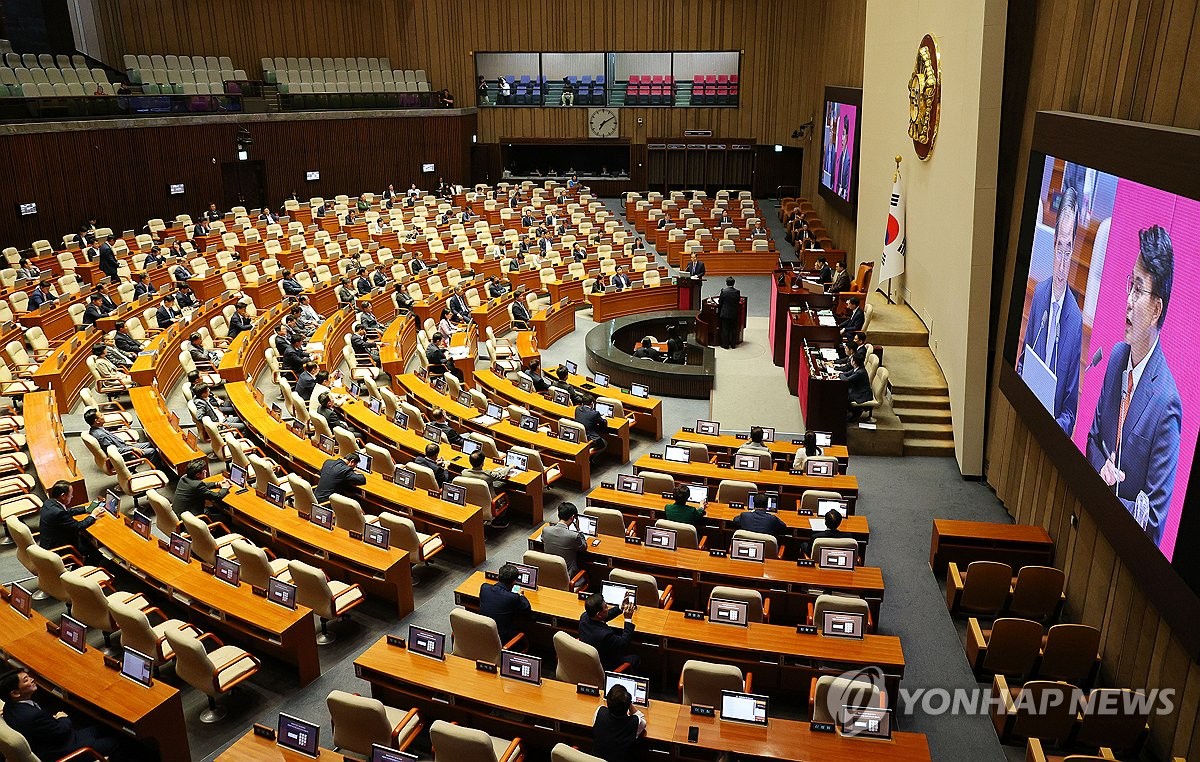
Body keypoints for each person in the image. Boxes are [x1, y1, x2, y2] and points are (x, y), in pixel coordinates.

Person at [1085, 225, 1180, 545]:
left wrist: (1110, 497)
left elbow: (1153, 519)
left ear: (1156, 309)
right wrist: (1102, 470)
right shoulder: (1115, 358)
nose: (1127, 300)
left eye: (1138, 290)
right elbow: (1093, 440)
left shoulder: (1166, 403)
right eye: (1130, 284)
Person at [1015, 187, 1085, 435]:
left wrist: (1050, 430)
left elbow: (1069, 412)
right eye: (1059, 248)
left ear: (1074, 250)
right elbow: (1022, 363)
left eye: (1068, 249)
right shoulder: (1040, 294)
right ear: (1052, 243)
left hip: (1049, 431)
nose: (1063, 261)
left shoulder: (1075, 322)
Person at [2, 669, 146, 761]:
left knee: (104, 727)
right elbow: (61, 732)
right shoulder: (31, 716)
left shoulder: (9, 708)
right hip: (63, 749)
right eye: (26, 680)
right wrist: (63, 718)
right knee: (116, 743)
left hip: (49, 742)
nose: (32, 679)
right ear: (15, 693)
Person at [38, 481, 104, 556]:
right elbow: (78, 526)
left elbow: (67, 511)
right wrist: (93, 515)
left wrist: (86, 508)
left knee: (87, 537)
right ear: (63, 496)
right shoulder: (59, 513)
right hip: (59, 549)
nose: (72, 496)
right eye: (71, 494)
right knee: (96, 552)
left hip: (48, 542)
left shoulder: (49, 502)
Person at [578, 592, 639, 671]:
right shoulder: (605, 635)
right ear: (599, 614)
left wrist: (621, 607)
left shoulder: (585, 617)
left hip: (591, 657)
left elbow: (605, 616)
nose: (607, 608)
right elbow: (624, 643)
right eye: (606, 607)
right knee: (636, 658)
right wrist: (628, 619)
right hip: (606, 664)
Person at [591, 682, 646, 762]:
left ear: (607, 702)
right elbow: (642, 718)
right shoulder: (635, 722)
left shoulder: (599, 712)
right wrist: (629, 704)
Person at [478, 563, 532, 643]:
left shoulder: (484, 587)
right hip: (502, 639)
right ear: (514, 582)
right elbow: (527, 608)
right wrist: (520, 595)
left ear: (498, 577)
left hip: (482, 633)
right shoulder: (513, 597)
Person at [542, 502, 586, 576]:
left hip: (549, 572)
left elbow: (542, 539)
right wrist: (579, 530)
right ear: (572, 518)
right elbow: (583, 547)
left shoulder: (546, 530)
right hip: (569, 575)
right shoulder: (574, 536)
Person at [842, 352, 873, 421]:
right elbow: (845, 374)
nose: (850, 361)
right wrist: (840, 374)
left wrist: (840, 375)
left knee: (844, 396)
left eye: (851, 360)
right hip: (859, 390)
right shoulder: (857, 368)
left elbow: (846, 379)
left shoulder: (860, 372)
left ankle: (854, 413)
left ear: (854, 362)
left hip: (863, 394)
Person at [717, 276, 741, 349]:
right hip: (734, 313)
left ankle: (725, 345)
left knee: (725, 329)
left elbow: (720, 302)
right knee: (733, 329)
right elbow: (737, 301)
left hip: (725, 314)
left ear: (726, 283)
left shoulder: (724, 292)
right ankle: (733, 345)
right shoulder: (737, 292)